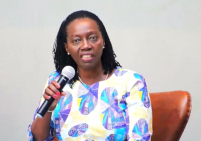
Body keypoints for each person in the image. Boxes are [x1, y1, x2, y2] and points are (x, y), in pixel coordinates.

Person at [27, 10, 152, 141]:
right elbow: (38, 138)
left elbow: (140, 137)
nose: (86, 45)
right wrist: (49, 109)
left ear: (103, 41)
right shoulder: (57, 82)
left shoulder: (131, 82)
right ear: (67, 48)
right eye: (76, 40)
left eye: (92, 38)